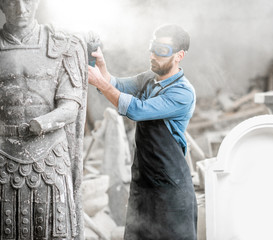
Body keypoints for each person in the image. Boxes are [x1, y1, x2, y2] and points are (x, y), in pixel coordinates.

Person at [88, 24, 197, 239]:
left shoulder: (182, 93)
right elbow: (115, 85)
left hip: (170, 191)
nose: (154, 55)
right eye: (152, 47)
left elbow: (137, 110)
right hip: (143, 184)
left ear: (179, 55)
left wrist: (99, 82)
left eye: (162, 50)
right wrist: (100, 64)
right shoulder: (148, 79)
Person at [0, 0, 87, 239]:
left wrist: (43, 123)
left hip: (50, 155)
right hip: (3, 155)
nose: (21, 9)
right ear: (1, 6)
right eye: (11, 2)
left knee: (54, 229)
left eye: (27, 1)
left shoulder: (62, 45)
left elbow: (71, 106)